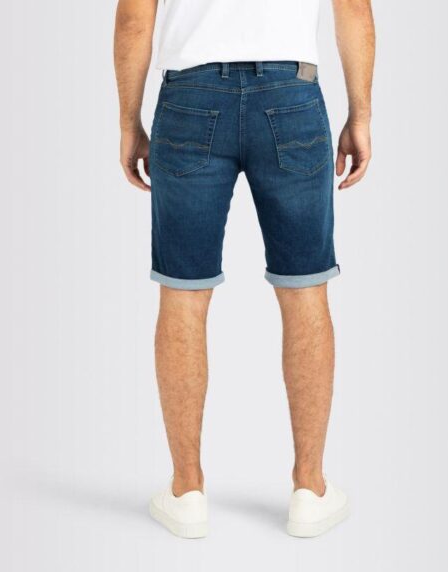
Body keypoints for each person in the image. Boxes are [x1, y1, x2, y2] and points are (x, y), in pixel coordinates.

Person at [114, 0, 375, 538]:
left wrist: (128, 122)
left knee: (183, 293)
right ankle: (310, 490)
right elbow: (353, 7)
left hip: (189, 99)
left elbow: (135, 17)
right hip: (291, 96)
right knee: (305, 289)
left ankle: (187, 492)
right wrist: (361, 115)